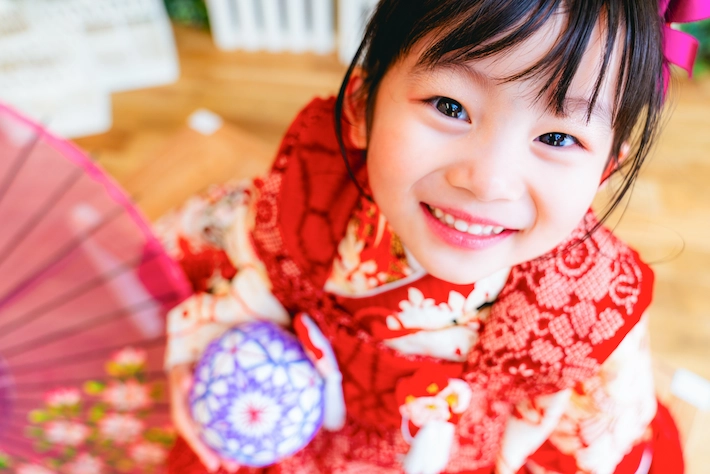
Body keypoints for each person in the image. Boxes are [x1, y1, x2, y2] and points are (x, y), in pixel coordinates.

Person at [159, 0, 708, 472]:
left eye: (558, 138)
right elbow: (245, 275)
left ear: (605, 171)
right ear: (361, 106)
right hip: (307, 434)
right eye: (451, 107)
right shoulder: (313, 196)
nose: (488, 181)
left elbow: (599, 440)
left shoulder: (587, 308)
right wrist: (209, 349)